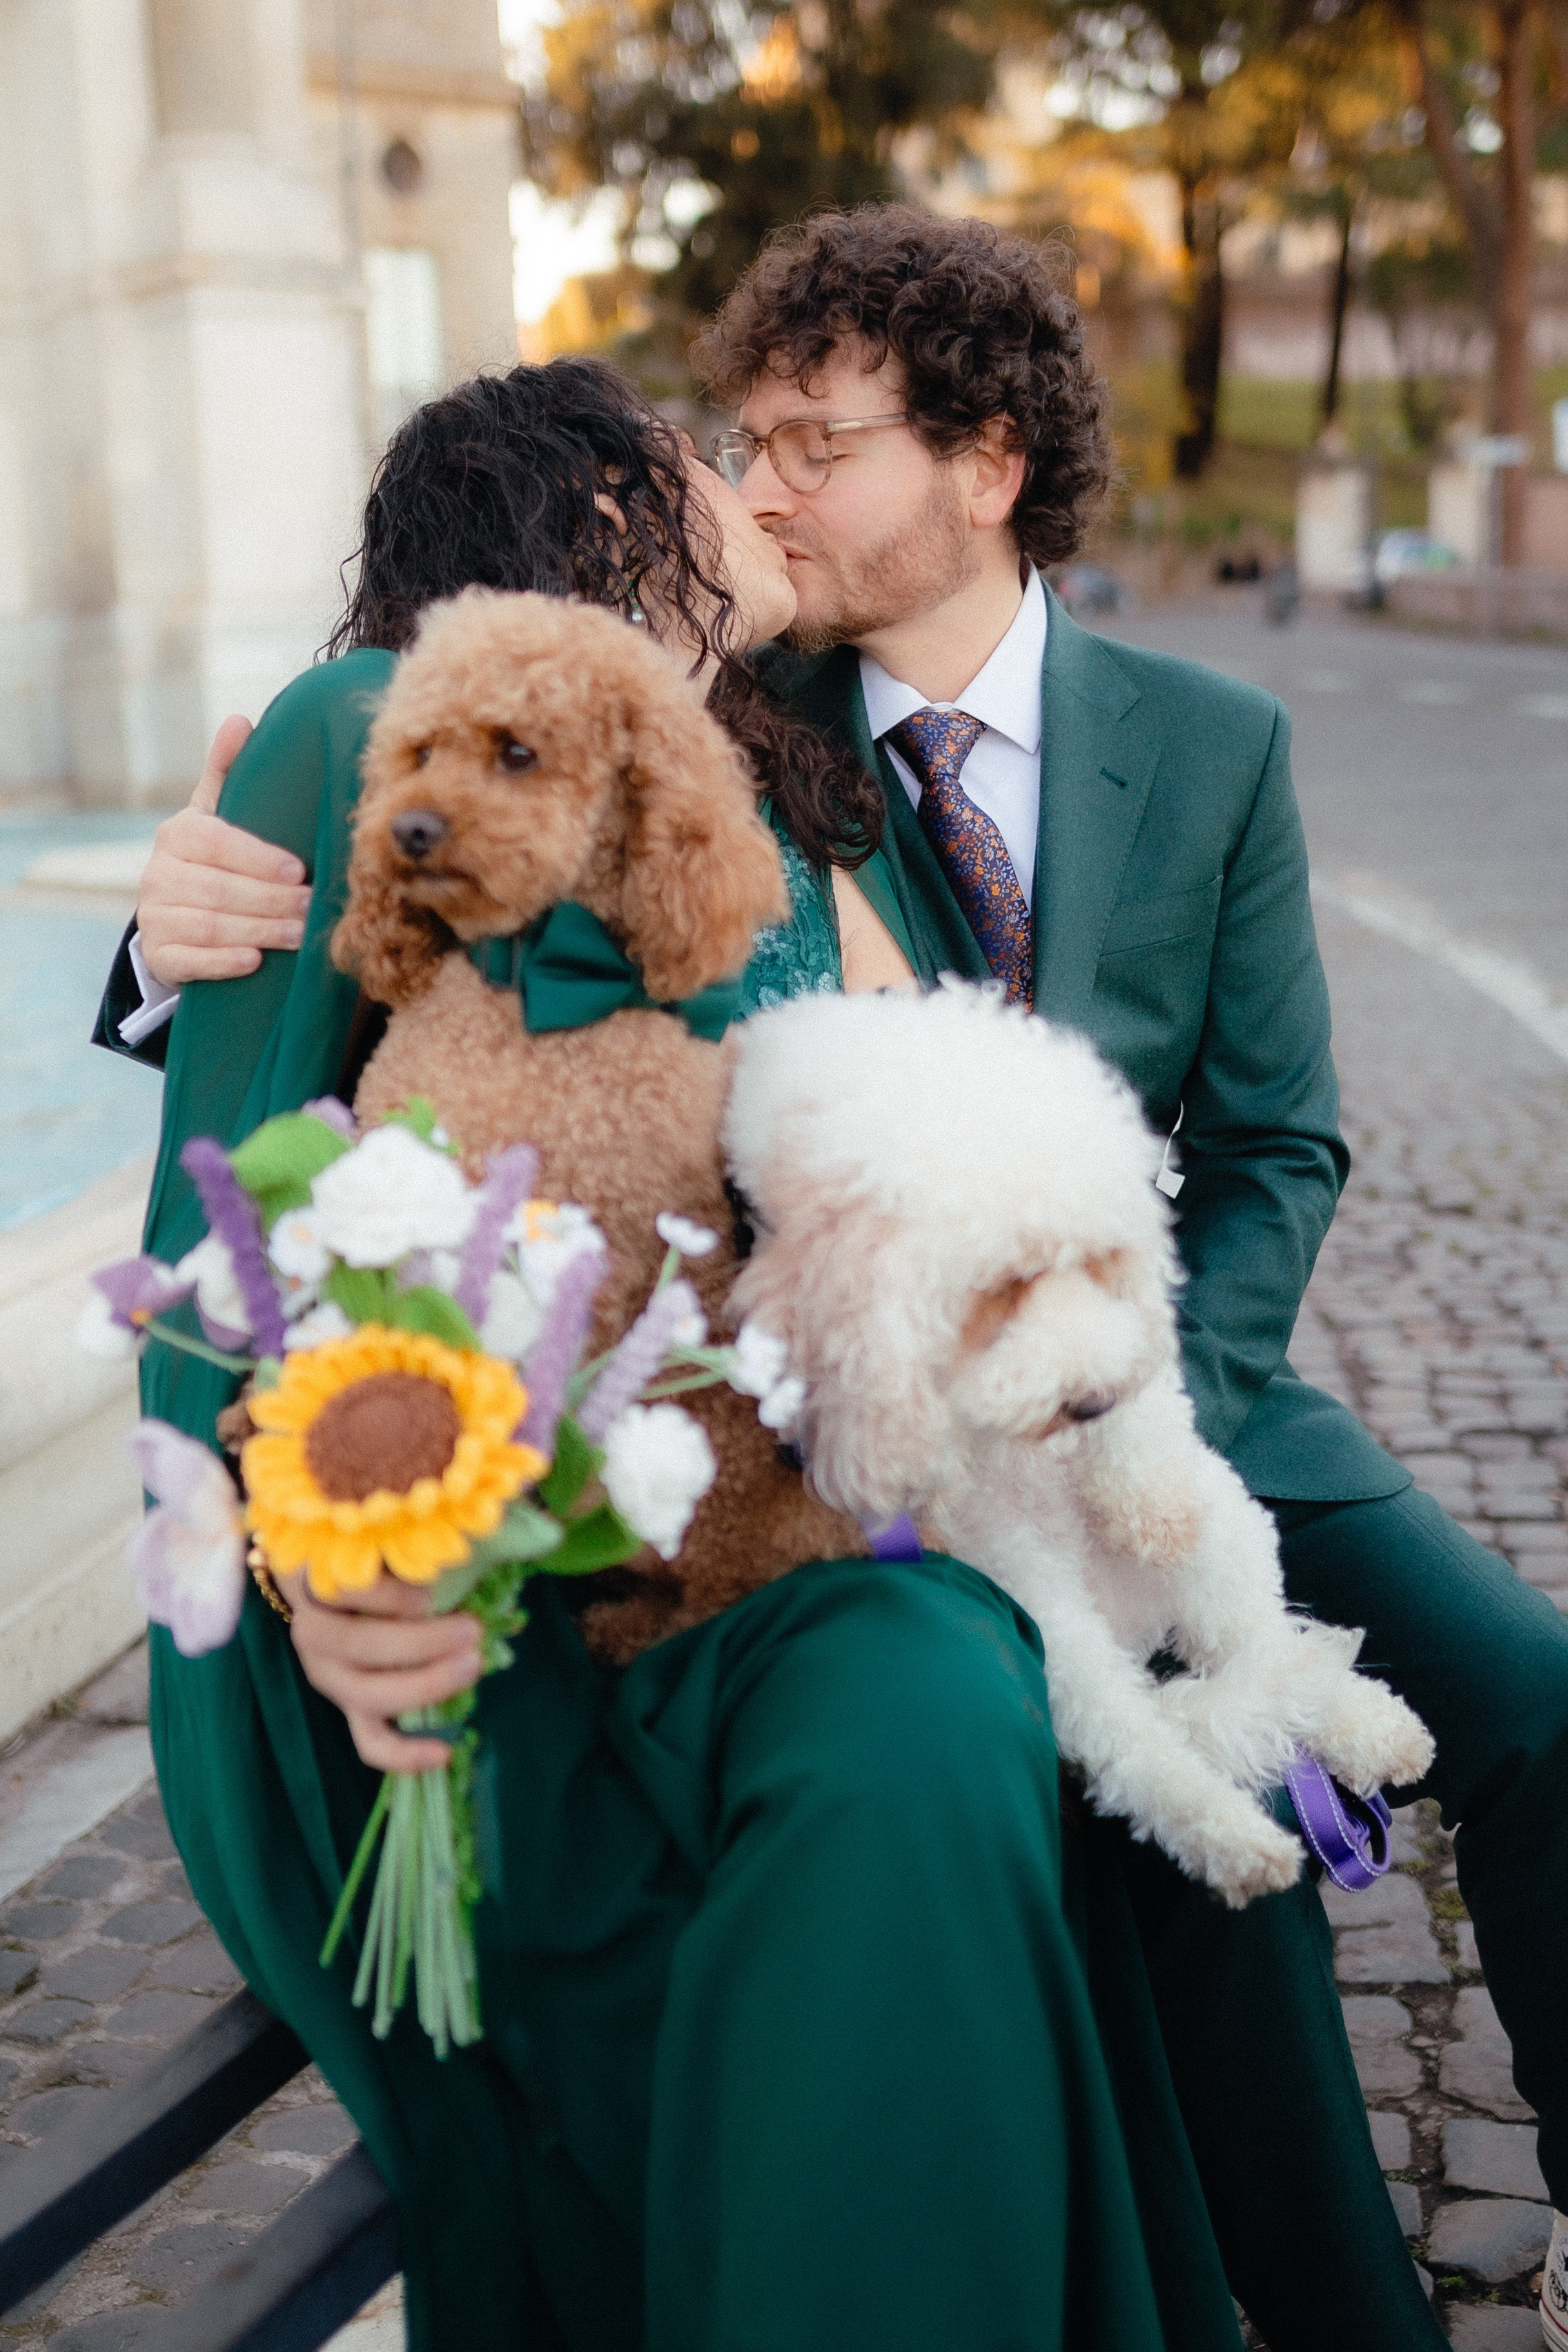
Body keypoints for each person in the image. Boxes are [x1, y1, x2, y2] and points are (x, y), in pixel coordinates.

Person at [99, 358, 1447, 2351]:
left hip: (867, 1508)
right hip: (490, 1578)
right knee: (932, 1705)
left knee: (1068, 1692)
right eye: (716, 463)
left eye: (794, 453)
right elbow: (221, 1222)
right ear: (611, 512)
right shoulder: (388, 735)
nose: (764, 491)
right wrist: (329, 1556)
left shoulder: (801, 770)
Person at [694, 201, 1568, 2344]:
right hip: (898, 1472)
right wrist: (183, 920)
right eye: (755, 437)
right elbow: (435, 770)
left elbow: (1283, 1137)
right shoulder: (724, 725)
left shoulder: (1209, 745)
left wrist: (1157, 1382)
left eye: (816, 439)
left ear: (984, 461)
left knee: (1541, 1711)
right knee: (1200, 1824)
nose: (764, 483)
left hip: (1191, 1401)